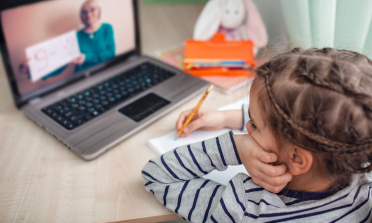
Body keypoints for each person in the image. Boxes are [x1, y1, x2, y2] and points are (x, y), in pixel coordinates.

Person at [141, 48, 372, 222]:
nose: (248, 129)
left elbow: (157, 175)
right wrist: (226, 118)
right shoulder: (363, 187)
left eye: (254, 124)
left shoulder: (245, 208)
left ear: (297, 159)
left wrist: (235, 147)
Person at [19, 0, 115, 80]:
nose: (89, 14)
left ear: (99, 11)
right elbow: (61, 64)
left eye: (92, 10)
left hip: (105, 74)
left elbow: (110, 53)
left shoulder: (107, 28)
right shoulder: (75, 36)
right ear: (81, 16)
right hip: (82, 78)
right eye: (84, 12)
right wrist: (35, 70)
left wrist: (86, 57)